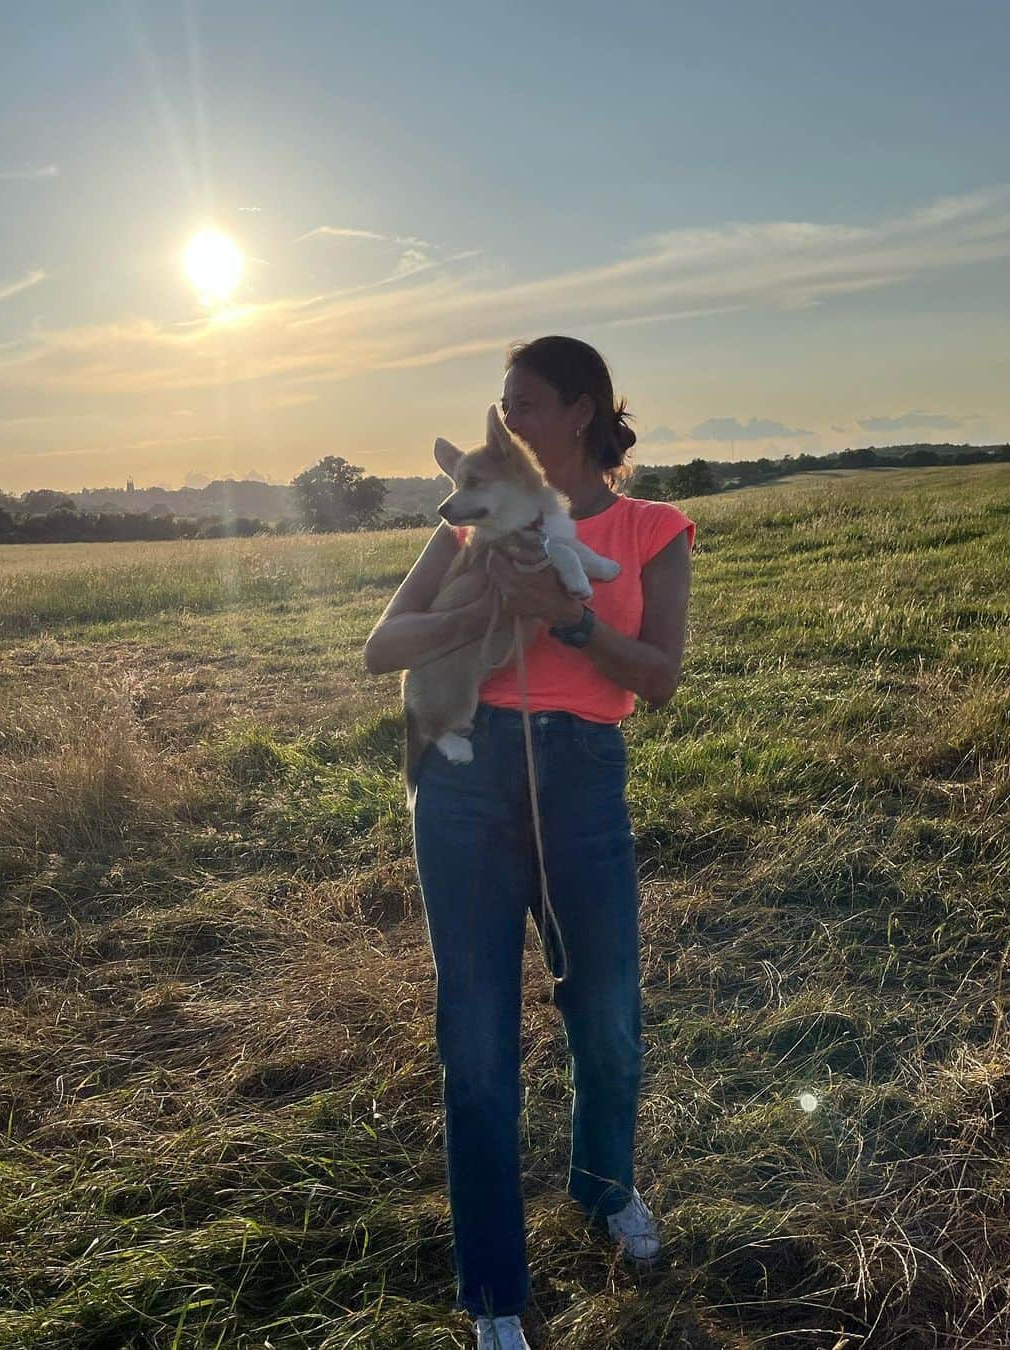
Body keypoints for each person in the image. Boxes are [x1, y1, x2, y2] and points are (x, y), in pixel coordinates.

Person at [363, 335, 696, 1350]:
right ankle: (494, 1294)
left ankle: (602, 1188)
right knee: (475, 1042)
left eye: (526, 405)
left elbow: (659, 677)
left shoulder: (650, 528)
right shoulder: (471, 524)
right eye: (501, 408)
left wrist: (571, 621)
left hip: (581, 776)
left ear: (583, 409)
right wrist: (481, 613)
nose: (507, 424)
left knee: (607, 1015)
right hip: (464, 780)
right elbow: (382, 649)